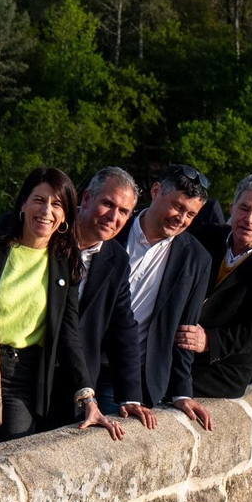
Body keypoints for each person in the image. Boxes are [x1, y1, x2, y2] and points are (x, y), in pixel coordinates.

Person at [0, 167, 123, 442]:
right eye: (39, 200)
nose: (47, 210)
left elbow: (69, 333)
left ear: (64, 216)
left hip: (21, 377)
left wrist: (88, 398)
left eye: (57, 204)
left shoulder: (64, 264)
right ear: (23, 204)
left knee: (16, 448)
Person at [180, 174, 252, 400]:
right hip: (178, 351)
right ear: (232, 209)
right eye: (244, 208)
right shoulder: (204, 238)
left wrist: (210, 341)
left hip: (223, 369)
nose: (249, 219)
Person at [115, 165, 214, 430]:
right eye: (177, 207)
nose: (181, 218)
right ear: (156, 191)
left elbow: (186, 331)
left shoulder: (197, 259)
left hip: (138, 378)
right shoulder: (113, 226)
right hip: (85, 362)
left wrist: (182, 392)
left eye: (191, 214)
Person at [72, 167, 155, 429]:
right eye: (107, 204)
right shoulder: (49, 234)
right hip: (28, 378)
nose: (113, 217)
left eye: (123, 212)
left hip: (81, 386)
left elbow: (123, 327)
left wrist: (130, 396)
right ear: (86, 199)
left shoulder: (117, 258)